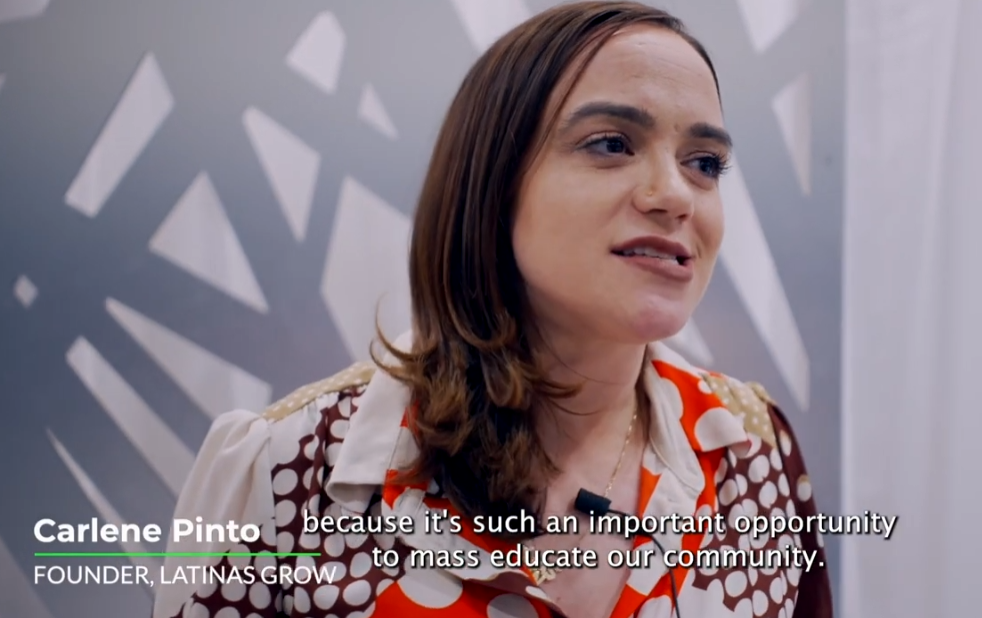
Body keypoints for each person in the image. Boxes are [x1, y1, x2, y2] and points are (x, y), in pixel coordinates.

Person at [152, 2, 833, 617]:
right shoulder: (288, 470)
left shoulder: (753, 452)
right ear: (492, 183)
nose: (673, 194)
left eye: (705, 162)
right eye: (611, 144)